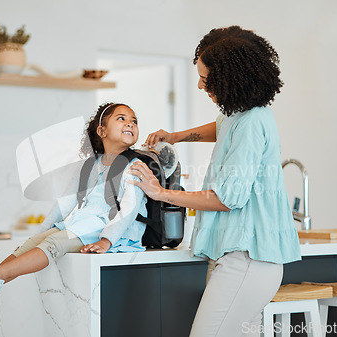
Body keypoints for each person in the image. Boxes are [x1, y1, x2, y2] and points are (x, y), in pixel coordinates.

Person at [128, 26, 301, 337]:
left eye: (206, 80)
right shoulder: (243, 113)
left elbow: (225, 198)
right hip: (238, 257)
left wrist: (160, 191)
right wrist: (178, 136)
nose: (199, 84)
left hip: (248, 260)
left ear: (230, 80)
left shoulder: (250, 123)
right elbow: (222, 126)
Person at [0, 102, 148, 309]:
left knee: (53, 244)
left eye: (134, 121)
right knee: (35, 242)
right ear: (101, 131)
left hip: (107, 228)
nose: (130, 124)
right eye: (122, 118)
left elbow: (129, 209)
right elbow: (66, 202)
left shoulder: (135, 165)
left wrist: (107, 240)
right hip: (84, 223)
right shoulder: (90, 165)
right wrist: (43, 230)